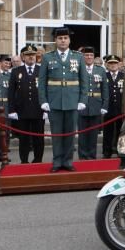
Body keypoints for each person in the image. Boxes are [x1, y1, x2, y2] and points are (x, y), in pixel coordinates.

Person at [37, 26, 89, 172]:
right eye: (60, 38)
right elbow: (42, 82)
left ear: (69, 40)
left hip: (72, 101)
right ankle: (57, 161)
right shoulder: (48, 57)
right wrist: (43, 101)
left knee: (70, 134)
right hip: (54, 101)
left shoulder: (78, 57)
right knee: (57, 134)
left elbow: (84, 80)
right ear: (55, 40)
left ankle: (68, 161)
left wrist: (82, 100)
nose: (63, 41)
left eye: (65, 38)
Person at [8, 44, 45, 164]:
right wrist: (12, 110)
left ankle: (38, 160)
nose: (31, 57)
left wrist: (47, 110)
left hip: (38, 110)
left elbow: (47, 90)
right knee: (23, 138)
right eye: (28, 55)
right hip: (22, 111)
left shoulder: (42, 70)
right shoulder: (16, 71)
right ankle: (24, 160)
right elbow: (11, 93)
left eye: (33, 55)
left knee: (38, 138)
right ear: (23, 57)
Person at [78, 47, 109, 160]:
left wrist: (105, 105)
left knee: (93, 134)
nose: (89, 57)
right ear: (83, 56)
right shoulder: (78, 69)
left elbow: (104, 89)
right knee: (82, 133)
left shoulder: (100, 70)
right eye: (86, 55)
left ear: (94, 56)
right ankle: (82, 155)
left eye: (91, 55)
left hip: (96, 105)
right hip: (82, 105)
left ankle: (91, 155)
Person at [102, 55, 125, 158]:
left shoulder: (123, 76)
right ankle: (107, 152)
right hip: (108, 108)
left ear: (119, 64)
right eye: (110, 63)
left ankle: (120, 151)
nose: (113, 65)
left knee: (121, 132)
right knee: (108, 132)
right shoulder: (104, 75)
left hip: (120, 108)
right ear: (107, 65)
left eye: (115, 63)